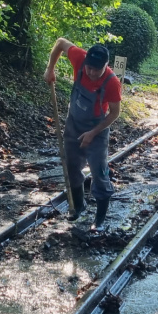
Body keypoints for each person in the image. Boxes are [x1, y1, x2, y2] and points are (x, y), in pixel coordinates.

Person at [43, 39, 122, 230]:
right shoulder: (79, 58)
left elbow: (114, 113)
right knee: (71, 166)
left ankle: (100, 220)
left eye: (97, 69)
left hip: (98, 128)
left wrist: (93, 133)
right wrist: (50, 68)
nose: (92, 73)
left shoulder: (112, 83)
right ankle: (78, 206)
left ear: (106, 66)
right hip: (74, 124)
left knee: (98, 171)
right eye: (90, 68)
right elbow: (61, 42)